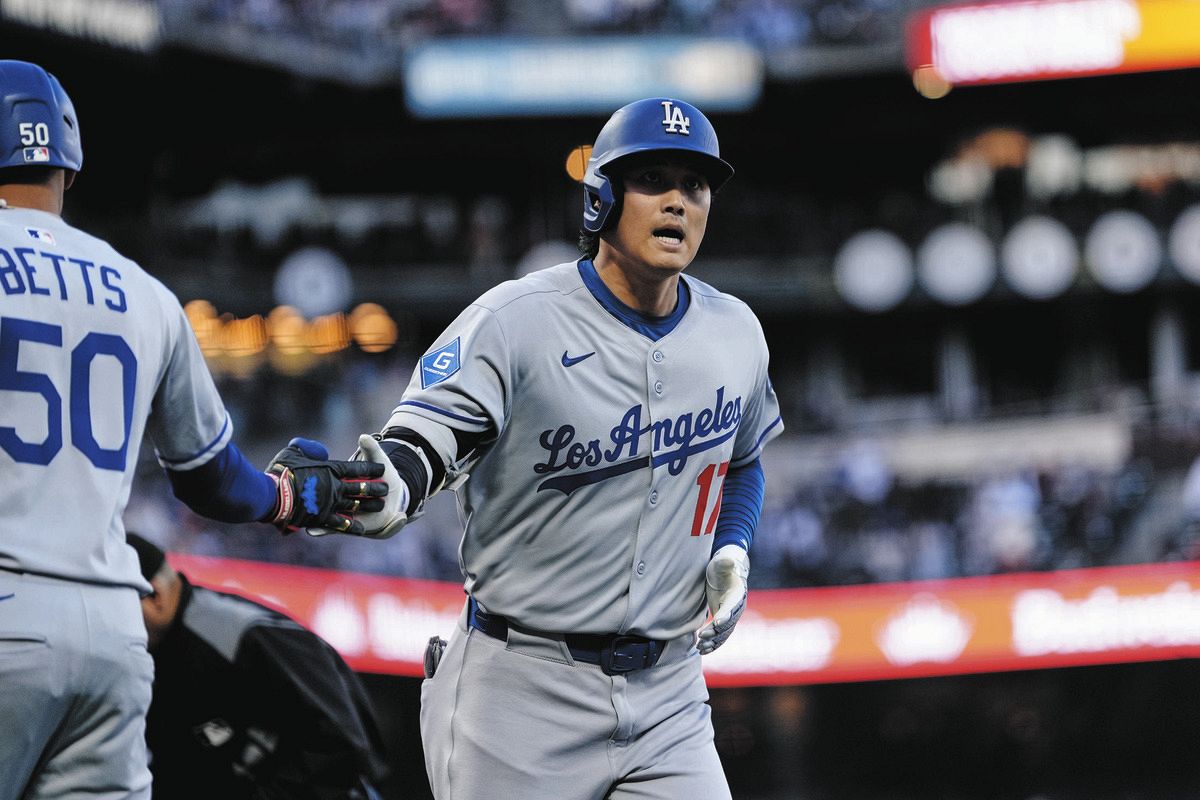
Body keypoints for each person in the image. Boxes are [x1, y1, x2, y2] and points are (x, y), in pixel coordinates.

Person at [342, 97, 783, 798]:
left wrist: (732, 545)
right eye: (652, 180)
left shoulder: (736, 331)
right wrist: (385, 481)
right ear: (601, 197)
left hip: (670, 692)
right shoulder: (514, 320)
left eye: (695, 185)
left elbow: (746, 458)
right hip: (520, 692)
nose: (677, 201)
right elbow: (423, 443)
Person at [0, 60, 387, 800]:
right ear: (69, 167)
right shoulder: (143, 292)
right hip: (112, 632)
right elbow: (213, 481)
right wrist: (287, 497)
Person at [126, 533, 389, 799]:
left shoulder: (240, 633)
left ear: (155, 596)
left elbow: (341, 742)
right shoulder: (153, 654)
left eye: (117, 609)